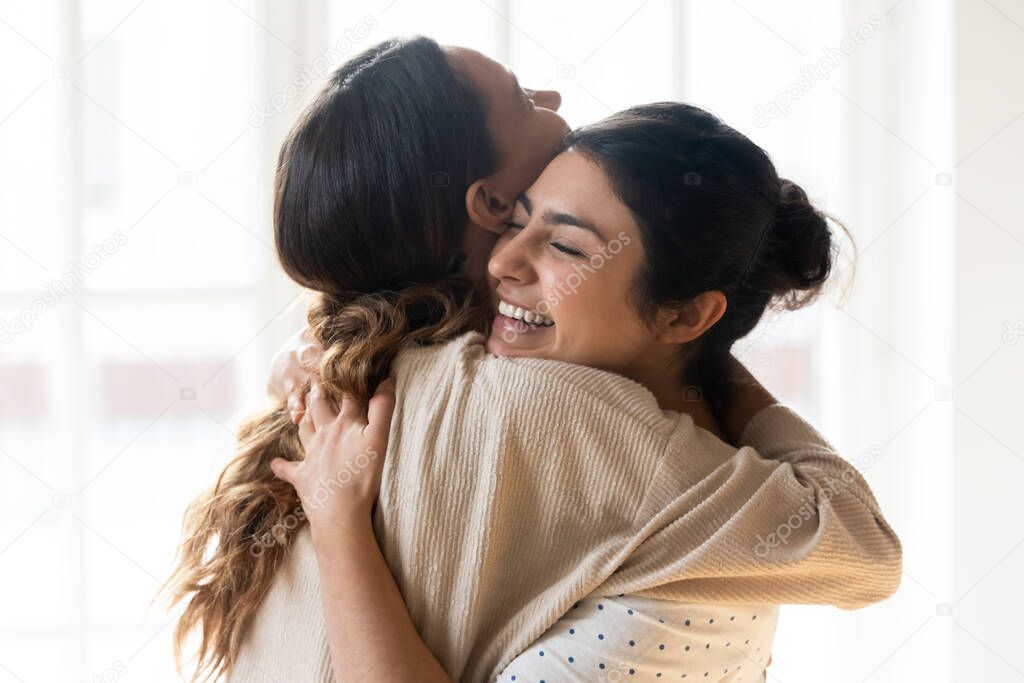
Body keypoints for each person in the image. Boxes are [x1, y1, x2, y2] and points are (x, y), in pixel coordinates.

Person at [165, 37, 901, 683]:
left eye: (564, 239)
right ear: (488, 205)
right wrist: (706, 351)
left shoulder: (355, 367)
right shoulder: (550, 409)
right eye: (520, 96)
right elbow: (862, 549)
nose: (554, 100)